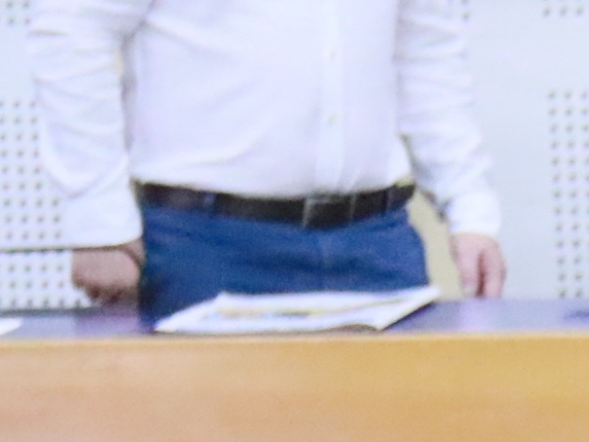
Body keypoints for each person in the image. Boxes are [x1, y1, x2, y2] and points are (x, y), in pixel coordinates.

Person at [30, 0, 504, 321]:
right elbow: (73, 32)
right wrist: (98, 219)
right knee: (209, 441)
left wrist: (469, 207)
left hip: (376, 243)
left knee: (395, 436)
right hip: (205, 245)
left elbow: (426, 55)